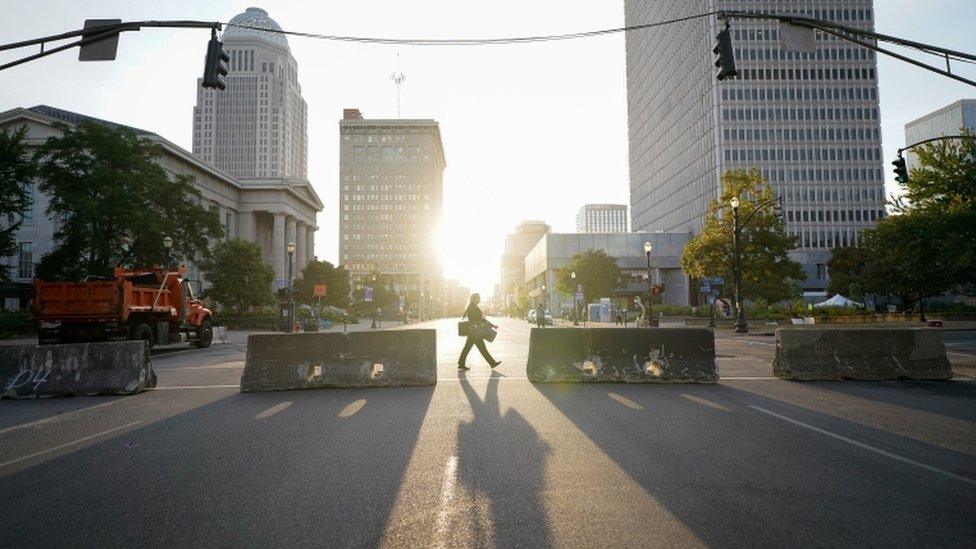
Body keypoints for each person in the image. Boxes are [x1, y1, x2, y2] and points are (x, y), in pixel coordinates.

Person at [458, 293, 501, 370]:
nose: (479, 300)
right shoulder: (473, 308)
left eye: (479, 298)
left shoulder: (472, 307)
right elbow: (480, 319)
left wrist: (491, 325)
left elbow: (480, 319)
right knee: (478, 348)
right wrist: (491, 325)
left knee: (472, 348)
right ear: (473, 299)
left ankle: (492, 363)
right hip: (474, 332)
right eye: (478, 298)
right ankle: (492, 363)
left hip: (473, 331)